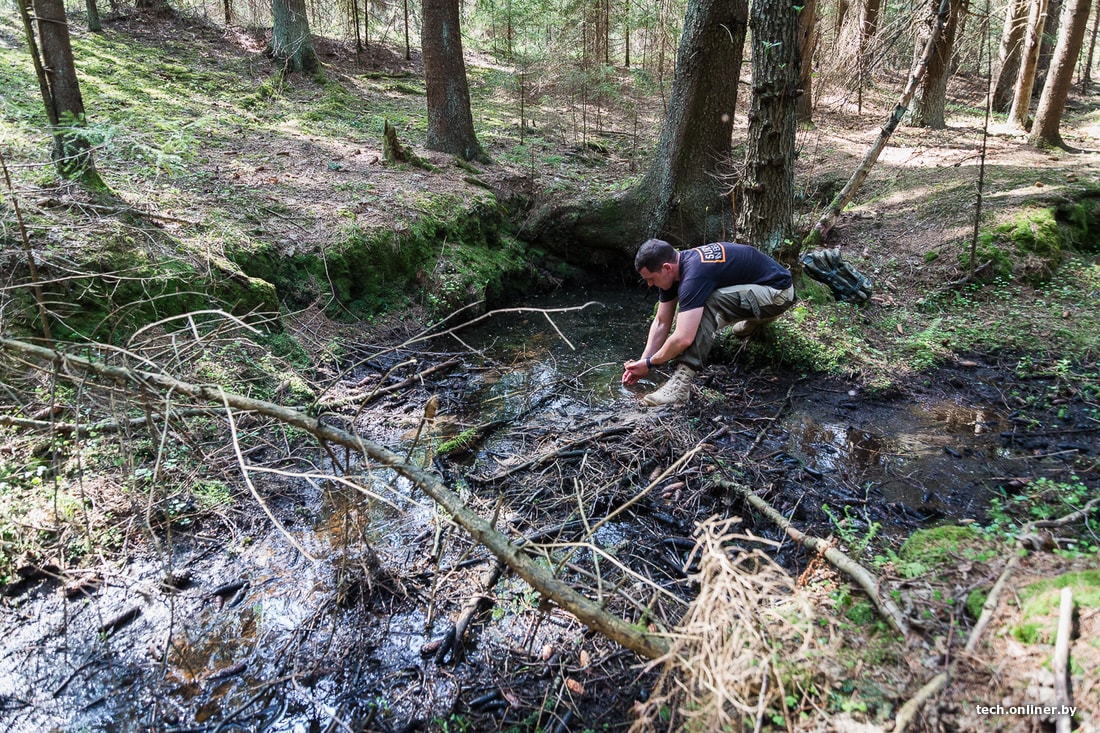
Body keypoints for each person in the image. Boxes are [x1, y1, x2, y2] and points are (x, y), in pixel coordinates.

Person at [621, 238, 796, 406]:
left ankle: (679, 388)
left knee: (708, 304)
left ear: (666, 268)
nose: (650, 284)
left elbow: (683, 338)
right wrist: (643, 363)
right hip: (758, 289)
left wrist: (652, 362)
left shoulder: (694, 276)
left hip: (778, 294)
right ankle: (757, 319)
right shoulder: (675, 271)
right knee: (699, 307)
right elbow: (661, 322)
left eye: (651, 278)